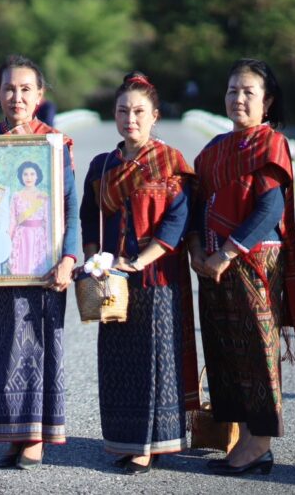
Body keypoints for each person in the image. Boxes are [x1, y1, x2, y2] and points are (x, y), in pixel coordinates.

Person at [187, 58, 295, 477]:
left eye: (248, 92)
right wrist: (198, 248)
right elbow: (197, 203)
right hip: (213, 264)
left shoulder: (270, 144)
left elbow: (271, 205)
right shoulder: (215, 148)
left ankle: (260, 444)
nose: (238, 98)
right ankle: (238, 432)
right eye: (233, 90)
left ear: (267, 102)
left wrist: (227, 252)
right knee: (223, 349)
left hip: (252, 260)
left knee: (257, 350)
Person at [79, 72, 198, 474]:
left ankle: (150, 445)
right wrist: (95, 261)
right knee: (117, 360)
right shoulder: (102, 165)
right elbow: (88, 219)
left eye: (139, 112)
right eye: (123, 111)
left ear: (155, 116)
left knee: (153, 361)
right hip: (112, 280)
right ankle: (122, 439)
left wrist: (139, 262)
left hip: (154, 278)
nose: (131, 119)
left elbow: (177, 221)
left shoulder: (169, 162)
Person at [0, 55, 81, 469]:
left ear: (39, 95)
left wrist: (69, 258)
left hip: (43, 260)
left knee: (37, 346)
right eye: (8, 89)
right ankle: (11, 432)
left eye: (25, 89)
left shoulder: (55, 143)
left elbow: (71, 206)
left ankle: (35, 435)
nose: (16, 97)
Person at [9, 161, 51, 276]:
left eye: (32, 174)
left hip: (38, 236)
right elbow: (12, 220)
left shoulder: (44, 196)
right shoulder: (16, 196)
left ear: (37, 176)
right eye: (25, 174)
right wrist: (8, 242)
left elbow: (48, 222)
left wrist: (49, 247)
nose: (29, 177)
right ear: (21, 176)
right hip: (21, 236)